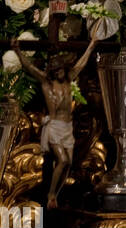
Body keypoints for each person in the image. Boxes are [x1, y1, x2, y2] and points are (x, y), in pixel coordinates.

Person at [14, 29, 100, 208]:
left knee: (68, 165)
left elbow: (81, 64)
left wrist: (91, 46)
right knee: (63, 160)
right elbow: (30, 68)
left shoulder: (68, 81)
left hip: (67, 127)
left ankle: (55, 196)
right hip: (54, 126)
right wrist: (17, 51)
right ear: (53, 71)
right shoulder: (47, 83)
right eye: (57, 70)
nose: (61, 72)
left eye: (62, 69)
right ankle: (51, 194)